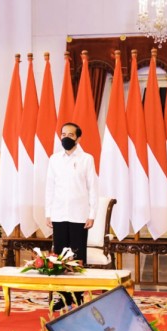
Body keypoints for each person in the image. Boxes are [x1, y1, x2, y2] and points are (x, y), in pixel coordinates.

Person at [45, 122, 98, 310]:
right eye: (63, 134)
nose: (66, 137)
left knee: (76, 256)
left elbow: (93, 187)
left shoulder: (87, 159)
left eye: (70, 134)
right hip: (59, 214)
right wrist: (48, 212)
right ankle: (63, 296)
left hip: (79, 215)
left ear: (78, 138)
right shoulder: (54, 159)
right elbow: (49, 187)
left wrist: (92, 214)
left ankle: (77, 295)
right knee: (59, 256)